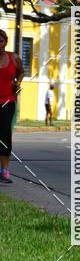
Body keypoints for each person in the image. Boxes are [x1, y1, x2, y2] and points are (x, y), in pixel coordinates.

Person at [0, 29, 24, 185]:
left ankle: (4, 171)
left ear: (5, 42)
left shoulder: (13, 58)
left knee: (4, 134)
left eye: (0, 41)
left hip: (7, 102)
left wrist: (17, 83)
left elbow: (21, 72)